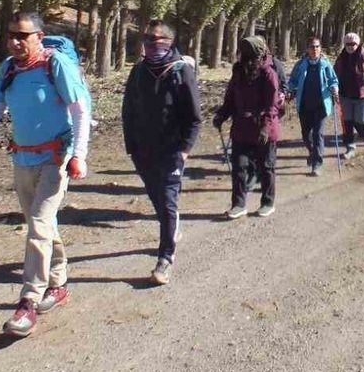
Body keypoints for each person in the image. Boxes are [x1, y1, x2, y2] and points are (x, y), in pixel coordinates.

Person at [0, 11, 93, 337]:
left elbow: (79, 110)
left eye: (23, 36)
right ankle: (58, 283)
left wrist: (79, 155)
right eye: (12, 35)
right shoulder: (9, 68)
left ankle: (28, 302)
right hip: (22, 160)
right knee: (40, 226)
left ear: (39, 37)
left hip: (56, 160)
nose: (16, 41)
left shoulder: (55, 64)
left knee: (40, 225)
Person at [121, 19, 202, 287]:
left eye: (157, 40)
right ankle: (173, 226)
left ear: (169, 43)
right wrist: (131, 145)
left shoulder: (181, 72)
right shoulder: (139, 72)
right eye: (147, 39)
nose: (151, 45)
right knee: (157, 199)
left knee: (167, 202)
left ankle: (165, 258)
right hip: (143, 151)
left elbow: (194, 117)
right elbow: (128, 110)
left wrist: (184, 151)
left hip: (172, 152)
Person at [213, 36, 282, 219]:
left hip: (263, 130)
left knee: (266, 167)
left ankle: (267, 202)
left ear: (257, 53)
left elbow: (272, 105)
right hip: (242, 128)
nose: (243, 55)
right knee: (239, 167)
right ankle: (239, 204)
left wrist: (266, 127)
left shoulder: (269, 74)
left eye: (247, 52)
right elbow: (230, 99)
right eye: (242, 52)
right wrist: (222, 114)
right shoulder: (238, 73)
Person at [286, 37, 340, 176]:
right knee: (306, 135)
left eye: (317, 46)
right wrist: (290, 90)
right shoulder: (300, 64)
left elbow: (333, 80)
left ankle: (316, 163)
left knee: (318, 135)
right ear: (307, 49)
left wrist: (334, 88)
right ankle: (312, 152)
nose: (314, 49)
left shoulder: (326, 64)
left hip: (321, 105)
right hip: (304, 105)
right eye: (311, 47)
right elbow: (292, 80)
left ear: (320, 48)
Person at [334, 32, 364, 158]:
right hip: (345, 95)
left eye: (353, 44)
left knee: (361, 122)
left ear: (358, 44)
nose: (350, 46)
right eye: (347, 44)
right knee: (347, 122)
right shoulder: (342, 56)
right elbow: (335, 72)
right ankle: (350, 148)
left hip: (362, 95)